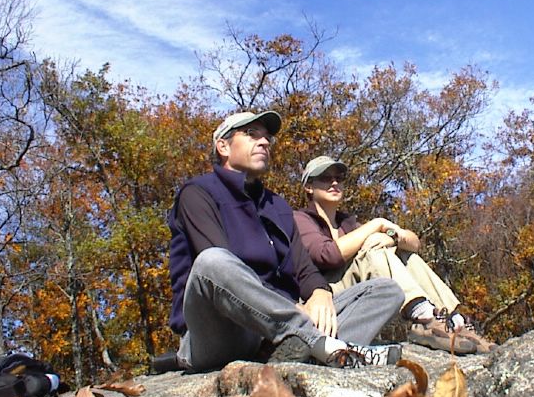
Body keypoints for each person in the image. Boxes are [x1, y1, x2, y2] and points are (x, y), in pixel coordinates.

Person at [166, 112, 404, 372]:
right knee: (212, 261)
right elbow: (221, 275)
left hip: (281, 328)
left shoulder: (276, 205)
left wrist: (319, 293)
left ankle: (304, 353)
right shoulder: (198, 193)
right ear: (223, 146)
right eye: (252, 135)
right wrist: (293, 312)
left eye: (267, 138)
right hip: (222, 331)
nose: (265, 142)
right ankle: (324, 345)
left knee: (386, 290)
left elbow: (303, 267)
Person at [293, 156, 496, 354]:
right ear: (309, 187)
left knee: (405, 254)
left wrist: (393, 237)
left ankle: (454, 321)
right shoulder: (300, 219)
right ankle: (423, 317)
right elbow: (327, 255)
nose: (334, 182)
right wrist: (377, 224)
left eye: (338, 178)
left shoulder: (349, 224)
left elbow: (415, 243)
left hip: (359, 289)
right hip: (328, 299)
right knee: (373, 245)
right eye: (325, 178)